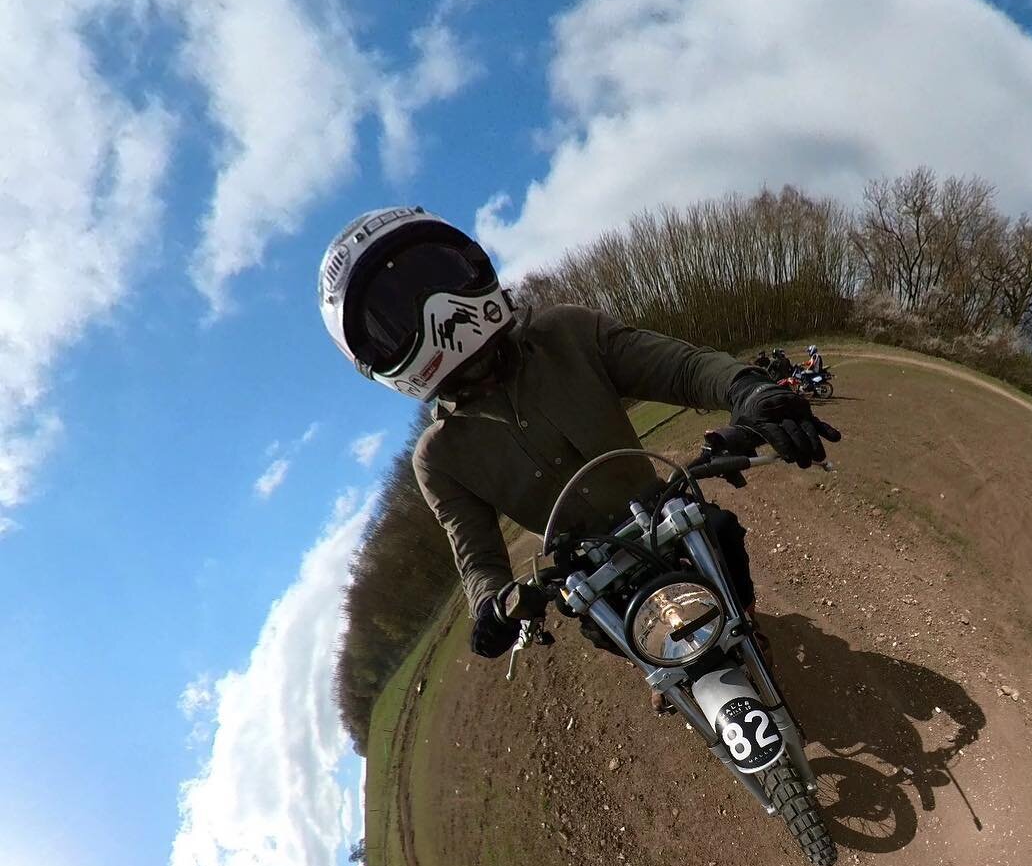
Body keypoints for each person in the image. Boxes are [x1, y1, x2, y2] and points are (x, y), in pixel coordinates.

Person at [318, 206, 840, 675]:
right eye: (397, 318)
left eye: (437, 279)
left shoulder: (568, 332)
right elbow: (476, 554)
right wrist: (490, 605)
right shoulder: (438, 458)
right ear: (376, 359)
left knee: (724, 533)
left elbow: (679, 367)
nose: (438, 314)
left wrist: (748, 389)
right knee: (600, 626)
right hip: (586, 563)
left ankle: (745, 616)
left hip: (659, 510)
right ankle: (660, 674)